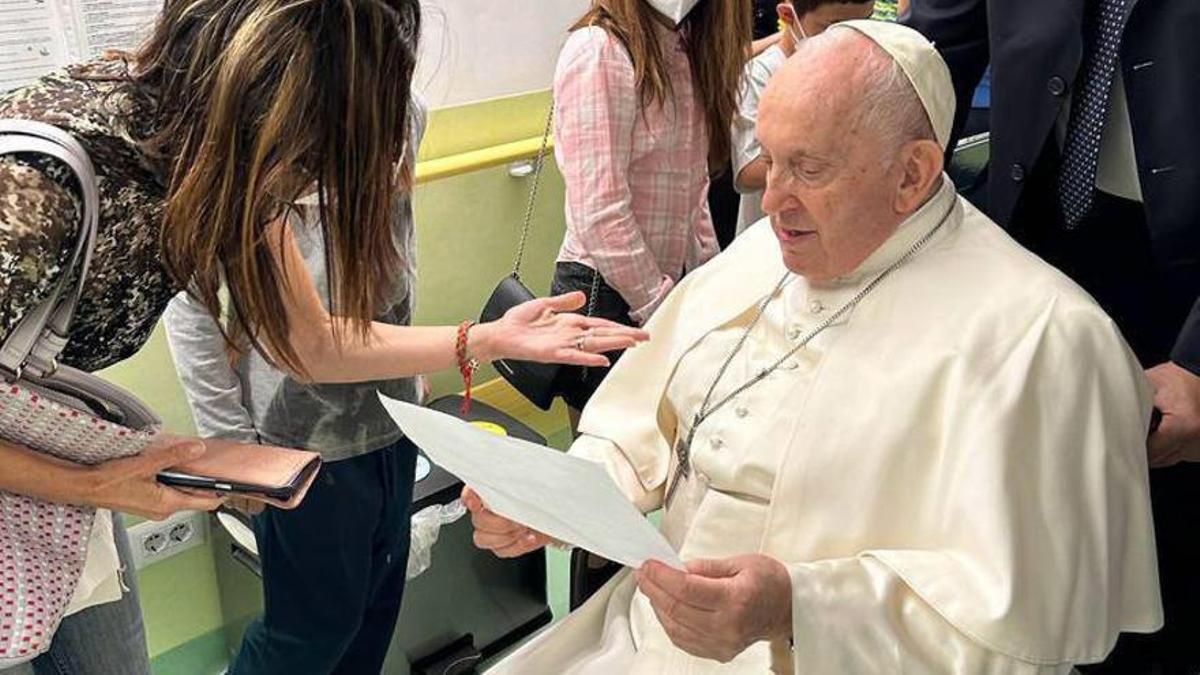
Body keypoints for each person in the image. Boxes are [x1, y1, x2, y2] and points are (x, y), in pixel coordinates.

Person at [465, 21, 1162, 672]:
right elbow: (639, 425)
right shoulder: (766, 252)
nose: (770, 201)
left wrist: (797, 607)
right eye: (768, 159)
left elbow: (1017, 635)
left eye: (808, 168)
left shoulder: (1044, 339)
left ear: (912, 174)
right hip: (649, 627)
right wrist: (553, 500)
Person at [0, 1, 647, 673]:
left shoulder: (228, 152)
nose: (346, 173)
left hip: (60, 452)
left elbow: (308, 341)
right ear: (278, 91)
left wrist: (483, 338)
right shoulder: (39, 193)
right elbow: (256, 335)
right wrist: (108, 481)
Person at [904, 2, 1200, 671]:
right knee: (1032, 513)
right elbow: (927, 50)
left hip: (1182, 291)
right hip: (1037, 240)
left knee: (1166, 541)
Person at [161, 94, 427, 671]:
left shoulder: (401, 108)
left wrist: (412, 373)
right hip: (295, 441)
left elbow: (396, 254)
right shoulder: (248, 128)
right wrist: (231, 444)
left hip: (393, 417)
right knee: (306, 634)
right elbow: (192, 307)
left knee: (376, 608)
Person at [549, 0, 749, 425]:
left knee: (666, 450)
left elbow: (694, 192)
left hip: (670, 289)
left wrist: (709, 286)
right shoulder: (598, 51)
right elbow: (600, 211)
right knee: (607, 458)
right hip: (606, 294)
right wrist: (661, 306)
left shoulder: (687, 48)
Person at [731, 0, 876, 234]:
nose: (848, 40)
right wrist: (830, 144)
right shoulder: (761, 75)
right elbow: (746, 173)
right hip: (772, 233)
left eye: (862, 24)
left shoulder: (855, 69)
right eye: (833, 27)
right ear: (788, 15)